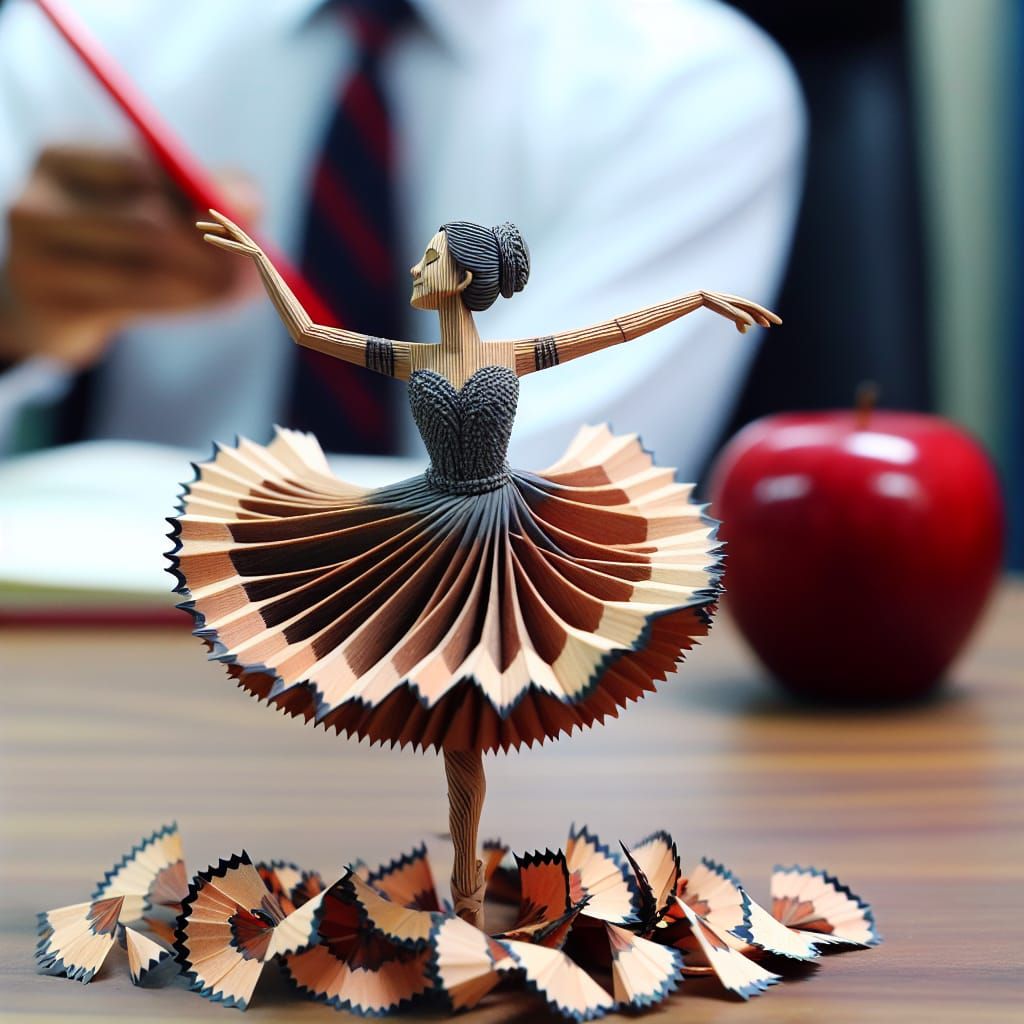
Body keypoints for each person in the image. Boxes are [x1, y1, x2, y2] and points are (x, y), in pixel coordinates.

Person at [170, 209, 777, 924]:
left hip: (508, 529)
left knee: (478, 705)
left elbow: (614, 333)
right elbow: (309, 334)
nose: (413, 269)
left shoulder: (511, 356)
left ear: (458, 276)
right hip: (426, 527)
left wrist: (697, 301)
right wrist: (263, 256)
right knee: (450, 710)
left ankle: (466, 889)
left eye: (428, 258)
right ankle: (466, 886)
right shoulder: (411, 358)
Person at [0, 0, 805, 473]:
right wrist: (16, 321)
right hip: (130, 641)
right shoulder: (92, 28)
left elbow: (533, 505)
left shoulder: (686, 79)